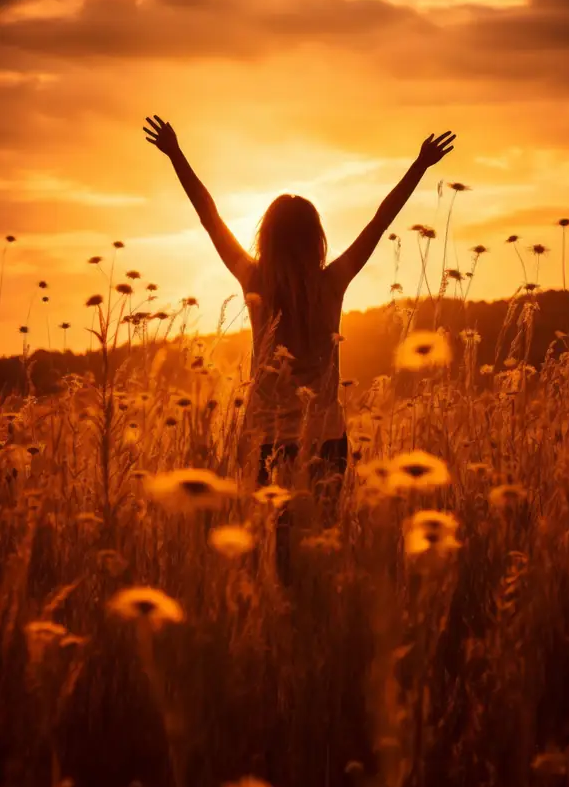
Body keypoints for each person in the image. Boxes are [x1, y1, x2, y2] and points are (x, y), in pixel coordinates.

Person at [143, 115, 456, 573]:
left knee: (268, 556)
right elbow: (380, 220)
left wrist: (176, 154)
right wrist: (419, 165)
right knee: (316, 552)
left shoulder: (254, 281)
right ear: (316, 240)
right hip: (325, 441)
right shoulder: (332, 283)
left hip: (264, 442)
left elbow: (210, 218)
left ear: (266, 238)